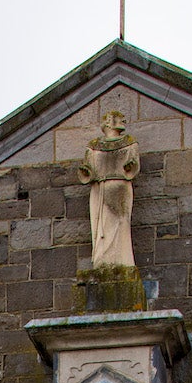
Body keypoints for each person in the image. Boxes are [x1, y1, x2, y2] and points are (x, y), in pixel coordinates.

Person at [78, 109, 140, 271]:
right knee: (100, 228)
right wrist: (86, 171)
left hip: (120, 188)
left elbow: (134, 165)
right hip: (100, 189)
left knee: (121, 223)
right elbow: (88, 170)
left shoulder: (129, 142)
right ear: (107, 122)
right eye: (118, 118)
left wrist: (130, 166)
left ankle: (122, 261)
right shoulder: (94, 146)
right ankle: (102, 262)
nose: (123, 119)